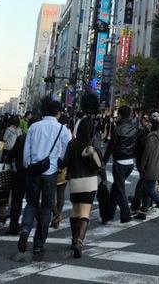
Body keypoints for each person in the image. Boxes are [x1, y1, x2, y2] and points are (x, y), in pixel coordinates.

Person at [18, 100, 70, 258]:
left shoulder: (34, 127)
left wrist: (28, 165)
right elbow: (65, 150)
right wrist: (59, 162)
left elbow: (26, 151)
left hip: (34, 170)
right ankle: (39, 244)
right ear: (58, 113)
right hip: (50, 171)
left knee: (31, 203)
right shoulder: (62, 128)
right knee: (47, 207)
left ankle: (25, 228)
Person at [62, 115, 102, 257]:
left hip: (75, 182)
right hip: (90, 182)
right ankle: (80, 241)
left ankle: (73, 240)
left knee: (75, 210)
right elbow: (99, 164)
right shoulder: (94, 143)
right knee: (85, 213)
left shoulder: (72, 144)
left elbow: (64, 163)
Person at [103, 105, 140, 222]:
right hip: (130, 163)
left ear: (120, 114)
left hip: (119, 161)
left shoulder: (117, 128)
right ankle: (109, 214)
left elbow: (111, 146)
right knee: (116, 188)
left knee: (120, 190)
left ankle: (126, 215)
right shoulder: (135, 128)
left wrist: (103, 161)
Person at [136, 112, 159, 221]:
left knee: (149, 189)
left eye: (150, 122)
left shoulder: (151, 137)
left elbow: (147, 153)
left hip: (151, 165)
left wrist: (142, 165)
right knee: (148, 188)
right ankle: (143, 211)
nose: (149, 124)